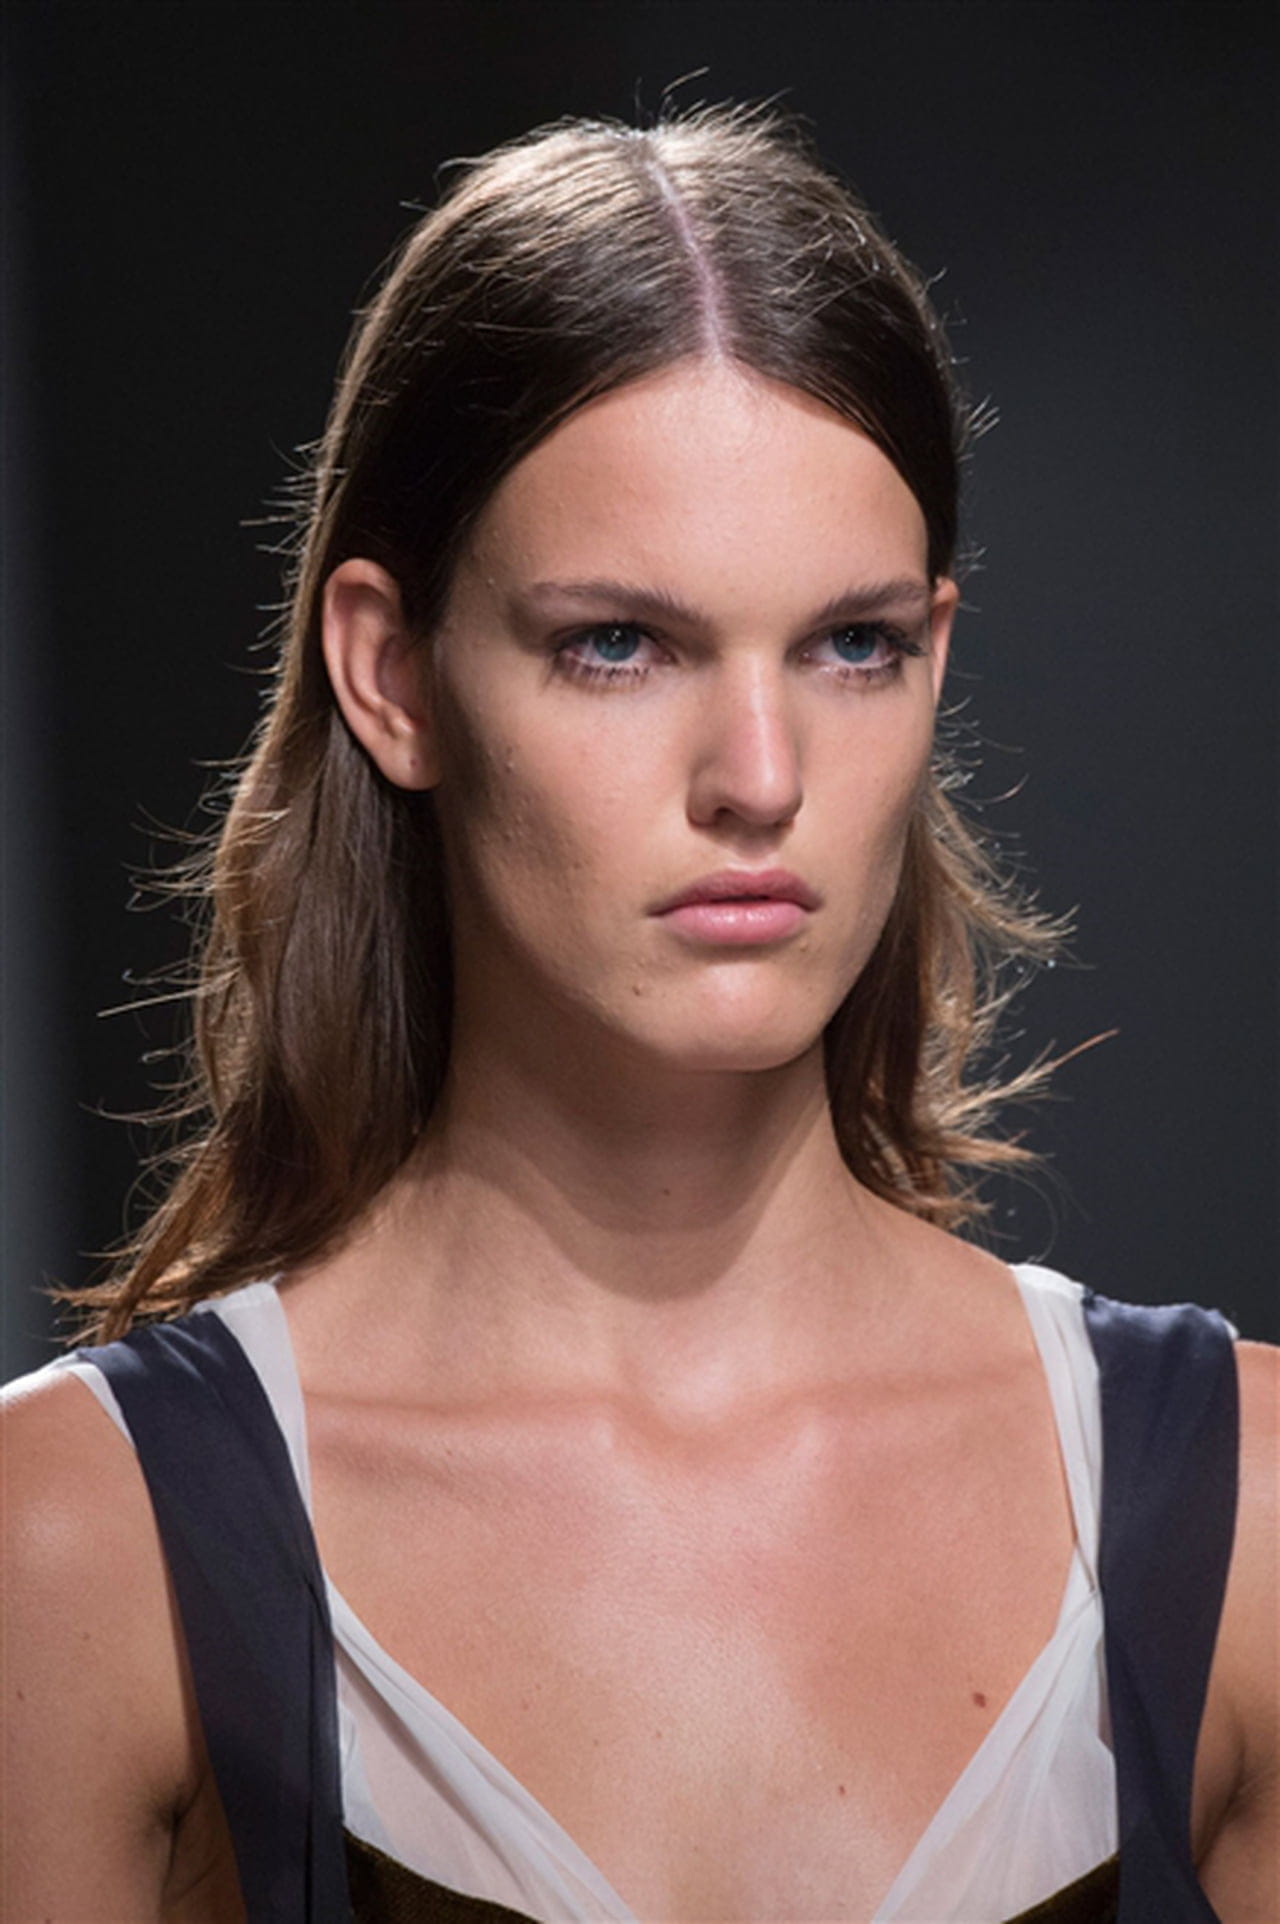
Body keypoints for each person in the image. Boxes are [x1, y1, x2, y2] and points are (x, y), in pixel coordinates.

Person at [2, 106, 1275, 1924]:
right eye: (619, 644)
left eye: (852, 645)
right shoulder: (74, 1547)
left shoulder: (1245, 1518)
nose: (761, 777)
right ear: (392, 674)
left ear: (936, 651)